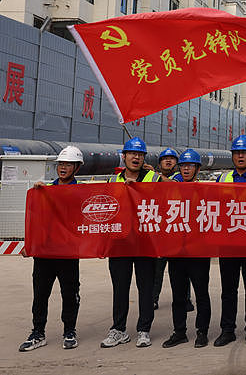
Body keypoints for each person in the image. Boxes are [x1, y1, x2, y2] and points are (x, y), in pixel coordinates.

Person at [19, 146, 85, 352]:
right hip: (45, 253)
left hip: (68, 252)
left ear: (76, 168)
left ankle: (69, 331)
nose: (63, 168)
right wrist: (29, 243)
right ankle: (38, 332)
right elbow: (37, 221)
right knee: (40, 294)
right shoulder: (45, 190)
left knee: (70, 293)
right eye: (61, 164)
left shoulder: (81, 192)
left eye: (68, 164)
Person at [102, 137, 161, 349]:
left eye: (140, 154)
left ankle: (144, 330)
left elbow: (174, 192)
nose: (136, 157)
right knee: (120, 288)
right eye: (132, 154)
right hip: (120, 243)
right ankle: (118, 329)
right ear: (124, 156)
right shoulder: (113, 182)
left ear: (144, 158)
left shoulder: (154, 178)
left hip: (145, 242)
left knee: (145, 288)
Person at [214, 134, 246, 346]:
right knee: (228, 290)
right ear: (232, 156)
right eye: (237, 152)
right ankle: (227, 329)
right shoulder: (222, 180)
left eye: (244, 152)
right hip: (228, 243)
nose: (241, 156)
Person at [162, 149, 212, 348]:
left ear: (197, 169)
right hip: (177, 251)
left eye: (190, 166)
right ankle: (179, 331)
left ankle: (202, 332)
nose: (186, 169)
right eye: (183, 165)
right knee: (178, 295)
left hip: (199, 251)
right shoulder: (170, 188)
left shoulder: (206, 190)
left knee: (201, 294)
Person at [152, 148, 181, 311]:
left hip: (176, 230)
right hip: (159, 231)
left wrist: (155, 176)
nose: (168, 161)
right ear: (159, 162)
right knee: (157, 269)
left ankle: (185, 298)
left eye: (172, 159)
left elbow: (172, 185)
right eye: (165, 158)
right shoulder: (152, 178)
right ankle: (153, 298)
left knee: (180, 271)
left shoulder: (178, 177)